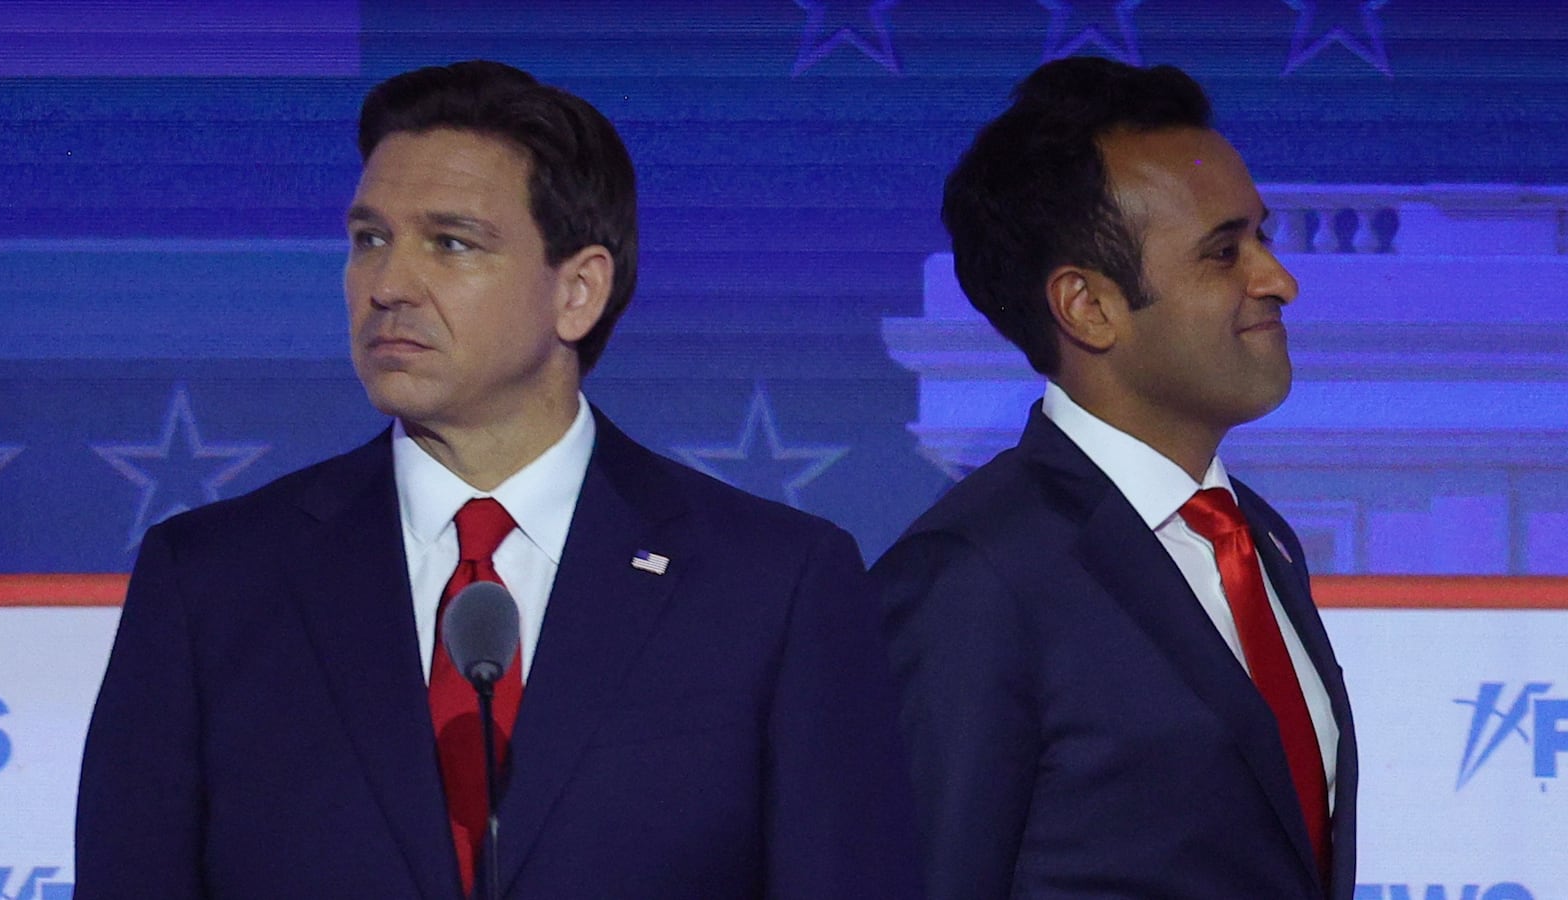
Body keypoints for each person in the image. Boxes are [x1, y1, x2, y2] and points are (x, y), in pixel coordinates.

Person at [77, 60, 919, 899]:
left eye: (451, 243)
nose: (388, 286)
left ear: (579, 292)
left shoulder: (772, 585)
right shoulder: (213, 582)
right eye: (370, 239)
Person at [871, 57, 1357, 899]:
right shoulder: (972, 577)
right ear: (1088, 307)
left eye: (1264, 238)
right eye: (1222, 253)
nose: (1279, 280)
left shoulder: (1258, 538)